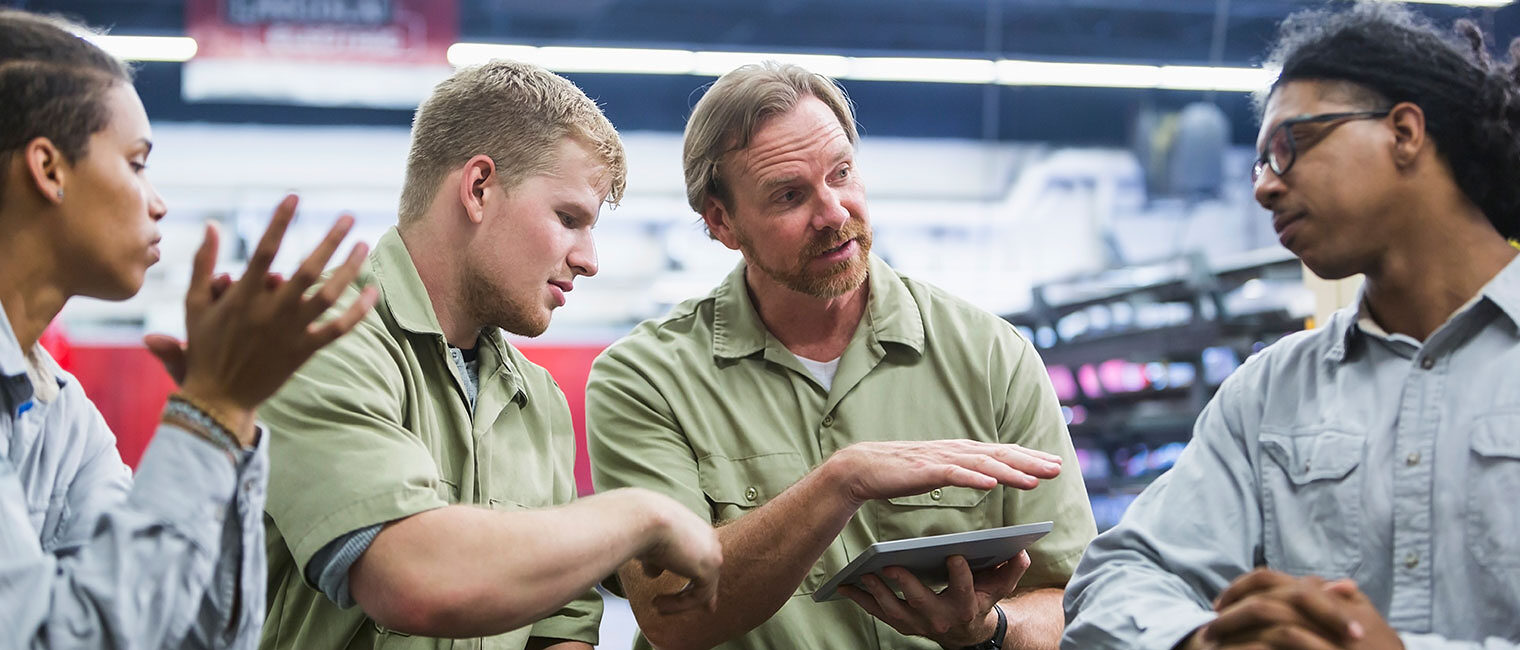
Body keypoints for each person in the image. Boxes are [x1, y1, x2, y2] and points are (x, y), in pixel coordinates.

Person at [586, 62, 1097, 650]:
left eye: (842, 173)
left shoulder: (991, 360)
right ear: (722, 222)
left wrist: (991, 628)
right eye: (789, 195)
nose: (833, 212)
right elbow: (673, 614)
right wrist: (840, 482)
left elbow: (1076, 601)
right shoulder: (645, 380)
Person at [1062, 4, 1520, 649]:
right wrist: (1204, 640)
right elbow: (1117, 578)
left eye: (1287, 145)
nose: (1264, 188)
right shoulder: (1270, 393)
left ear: (1405, 133)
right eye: (1259, 164)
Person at [257, 59, 724, 650]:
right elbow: (412, 579)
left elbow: (558, 628)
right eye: (568, 218)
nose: (589, 259)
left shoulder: (539, 400)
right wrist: (641, 517)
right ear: (478, 189)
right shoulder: (319, 341)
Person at [0, 8, 376, 648]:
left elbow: (193, 634)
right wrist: (210, 406)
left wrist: (229, 423)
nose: (158, 201)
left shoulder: (61, 412)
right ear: (49, 168)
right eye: (138, 162)